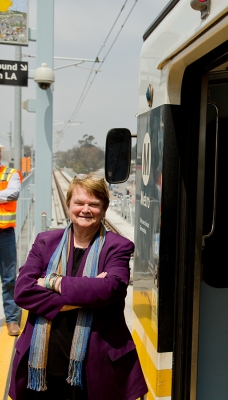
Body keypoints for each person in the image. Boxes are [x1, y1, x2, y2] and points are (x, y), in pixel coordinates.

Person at [9, 174, 148, 400]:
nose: (86, 209)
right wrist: (87, 294)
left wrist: (51, 282)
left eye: (94, 204)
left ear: (104, 209)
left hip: (97, 368)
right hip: (43, 366)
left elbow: (111, 289)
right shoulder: (45, 242)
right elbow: (23, 291)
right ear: (68, 206)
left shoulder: (117, 246)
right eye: (79, 203)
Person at [0, 142, 22, 336]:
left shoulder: (10, 174)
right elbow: (5, 195)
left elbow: (13, 193)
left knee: (8, 278)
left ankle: (12, 319)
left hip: (4, 234)